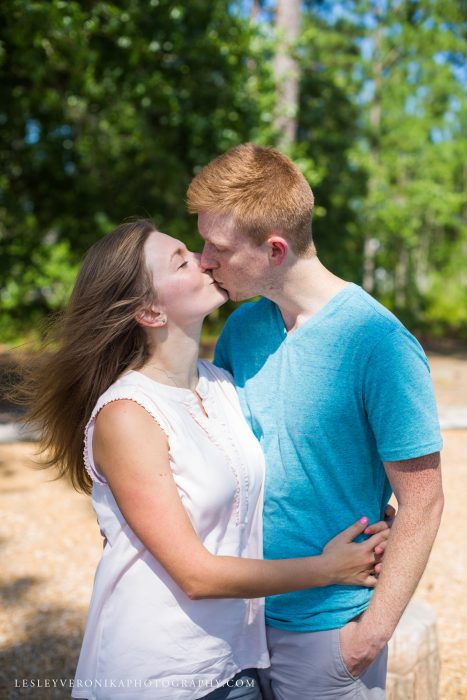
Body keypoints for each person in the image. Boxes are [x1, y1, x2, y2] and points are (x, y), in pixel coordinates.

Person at [20, 220, 391, 700]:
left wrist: (363, 504)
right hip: (157, 673)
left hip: (235, 660)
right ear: (150, 311)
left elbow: (279, 469)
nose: (205, 258)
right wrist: (329, 568)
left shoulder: (221, 385)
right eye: (181, 260)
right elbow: (195, 574)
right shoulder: (127, 415)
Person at [187, 143, 444, 700]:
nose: (204, 259)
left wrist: (368, 638)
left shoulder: (380, 344)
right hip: (235, 624)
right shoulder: (241, 330)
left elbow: (423, 501)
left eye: (218, 247)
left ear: (274, 250)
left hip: (326, 634)